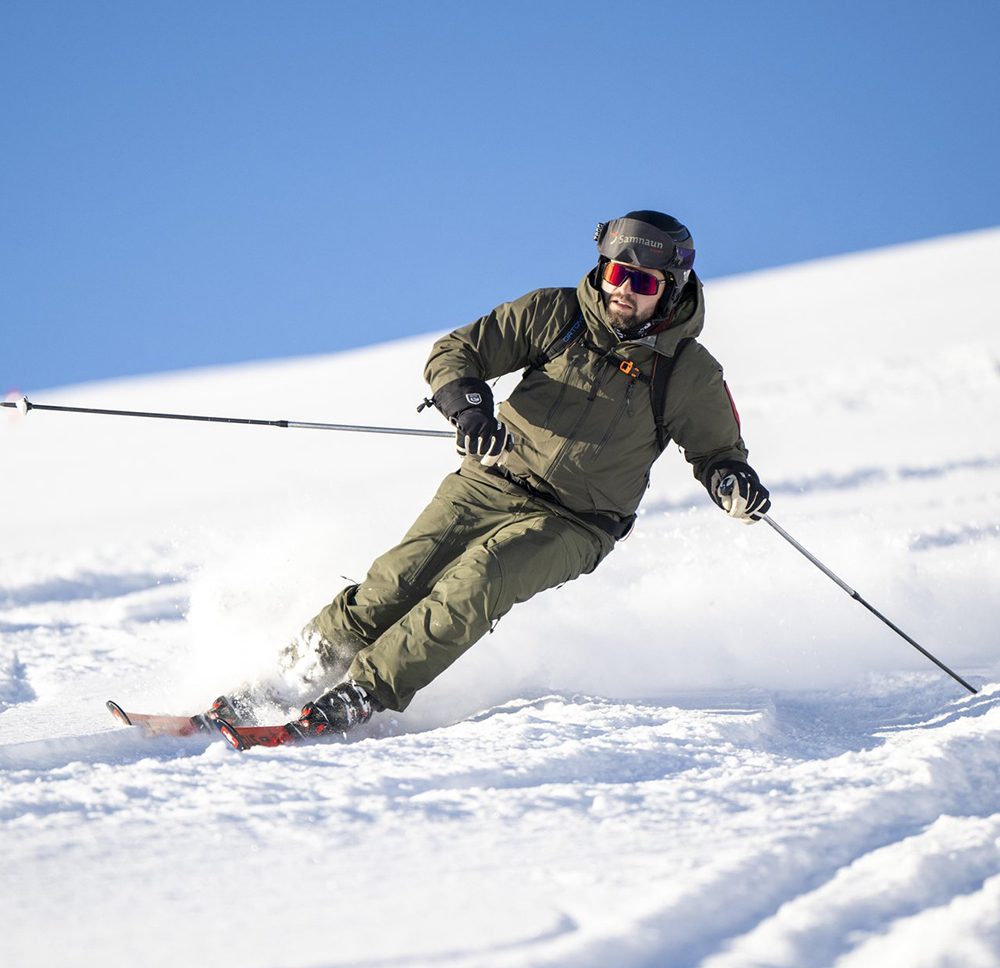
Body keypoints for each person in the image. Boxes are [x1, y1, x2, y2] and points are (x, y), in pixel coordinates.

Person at [210, 211, 771, 737]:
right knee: (393, 585)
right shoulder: (559, 315)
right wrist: (471, 408)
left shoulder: (687, 372)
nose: (623, 289)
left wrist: (731, 482)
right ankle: (280, 683)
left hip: (576, 523)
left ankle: (359, 694)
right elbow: (457, 352)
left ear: (670, 289)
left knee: (479, 579)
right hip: (488, 480)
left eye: (643, 282)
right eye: (618, 273)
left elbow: (718, 451)